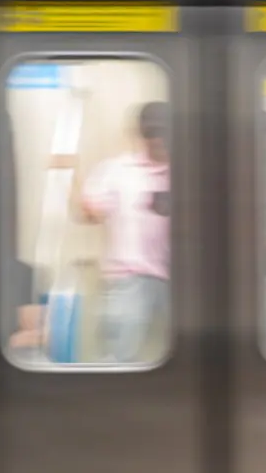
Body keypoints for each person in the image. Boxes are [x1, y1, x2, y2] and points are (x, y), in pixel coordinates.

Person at [72, 101, 171, 364]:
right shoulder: (116, 171)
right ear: (140, 133)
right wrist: (70, 172)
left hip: (183, 281)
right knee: (118, 359)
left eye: (163, 133)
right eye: (151, 133)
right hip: (129, 277)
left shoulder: (190, 173)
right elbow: (89, 214)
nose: (157, 140)